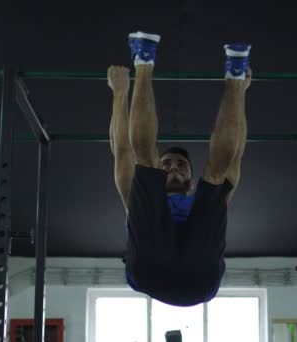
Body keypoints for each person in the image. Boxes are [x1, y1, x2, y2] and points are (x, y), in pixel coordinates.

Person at [107, 31, 251, 307]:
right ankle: (235, 74)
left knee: (146, 165)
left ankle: (143, 59)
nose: (174, 166)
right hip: (202, 279)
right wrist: (240, 96)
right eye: (169, 164)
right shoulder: (202, 199)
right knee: (220, 174)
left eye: (180, 165)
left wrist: (120, 94)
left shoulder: (136, 204)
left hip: (150, 273)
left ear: (190, 181)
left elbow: (123, 151)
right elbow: (237, 152)